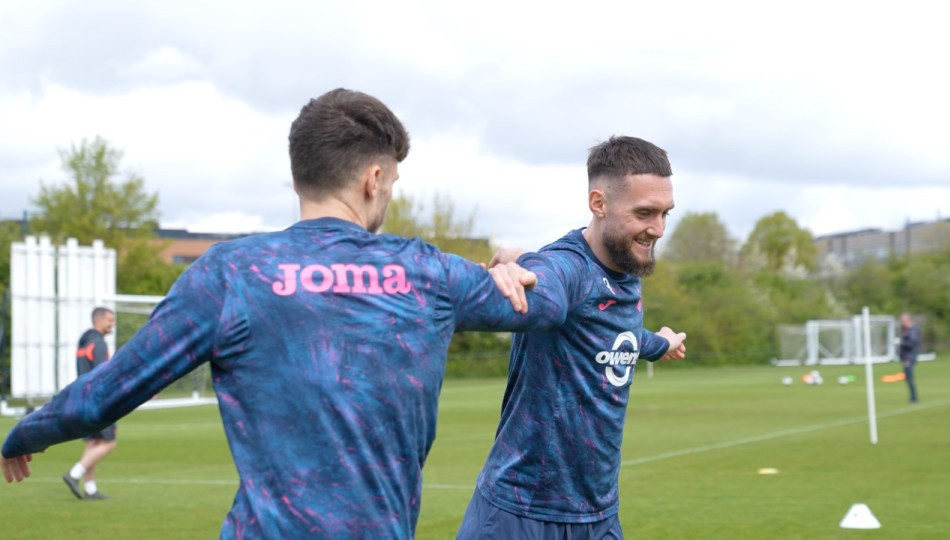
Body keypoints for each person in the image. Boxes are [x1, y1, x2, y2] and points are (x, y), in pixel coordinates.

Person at [2, 88, 566, 539]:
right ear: (374, 178)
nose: (388, 194)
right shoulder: (428, 273)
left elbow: (110, 389)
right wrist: (524, 261)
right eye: (392, 181)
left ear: (299, 175)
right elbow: (551, 303)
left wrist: (25, 433)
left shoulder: (232, 273)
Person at [457, 135, 687, 539]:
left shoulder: (625, 269)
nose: (659, 229)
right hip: (521, 514)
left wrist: (661, 343)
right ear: (598, 203)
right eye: (646, 213)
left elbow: (621, 339)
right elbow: (547, 291)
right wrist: (523, 269)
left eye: (666, 213)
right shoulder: (567, 268)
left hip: (598, 515)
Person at [61, 307, 117, 500]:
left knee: (93, 442)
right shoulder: (99, 344)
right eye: (110, 320)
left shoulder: (84, 343)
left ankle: (90, 488)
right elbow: (102, 375)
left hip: (82, 399)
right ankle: (74, 474)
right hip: (98, 401)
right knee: (109, 443)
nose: (112, 324)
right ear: (98, 320)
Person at [899, 312, 920, 403]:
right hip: (906, 357)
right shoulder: (905, 330)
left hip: (910, 357)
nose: (901, 323)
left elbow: (912, 343)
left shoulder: (912, 330)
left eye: (903, 321)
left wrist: (901, 343)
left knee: (909, 377)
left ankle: (914, 397)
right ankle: (913, 397)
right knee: (907, 377)